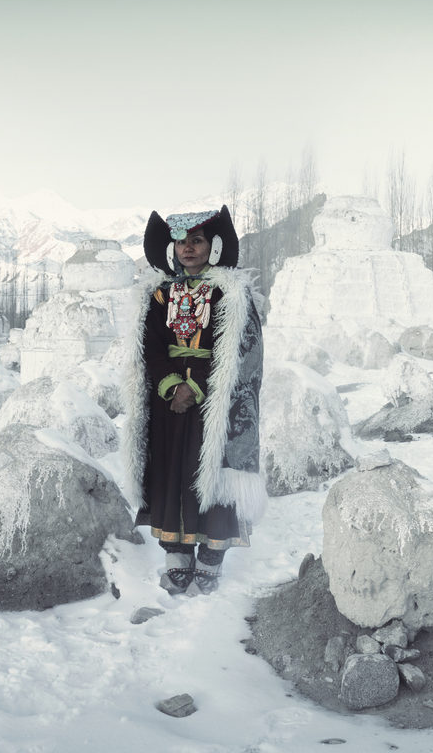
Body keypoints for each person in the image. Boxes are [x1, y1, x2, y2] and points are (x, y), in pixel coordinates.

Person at [124, 206, 265, 596]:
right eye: (182, 241)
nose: (188, 248)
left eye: (197, 240)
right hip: (168, 403)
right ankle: (176, 554)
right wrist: (172, 386)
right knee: (172, 472)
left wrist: (196, 387)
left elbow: (237, 350)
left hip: (213, 401)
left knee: (212, 474)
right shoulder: (160, 294)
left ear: (213, 246)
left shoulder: (230, 294)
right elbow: (150, 345)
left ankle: (210, 557)